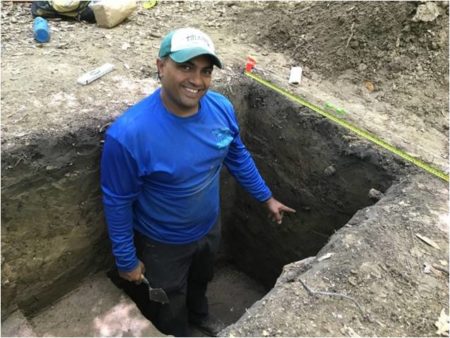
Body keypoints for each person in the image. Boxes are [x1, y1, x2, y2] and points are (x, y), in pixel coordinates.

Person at [100, 27, 296, 337]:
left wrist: (266, 198)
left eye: (205, 71)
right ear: (161, 66)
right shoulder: (129, 136)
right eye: (186, 67)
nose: (197, 80)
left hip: (208, 227)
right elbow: (117, 201)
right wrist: (126, 260)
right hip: (162, 242)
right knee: (168, 297)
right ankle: (178, 331)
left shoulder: (220, 109)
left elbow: (237, 155)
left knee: (202, 277)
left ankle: (199, 316)